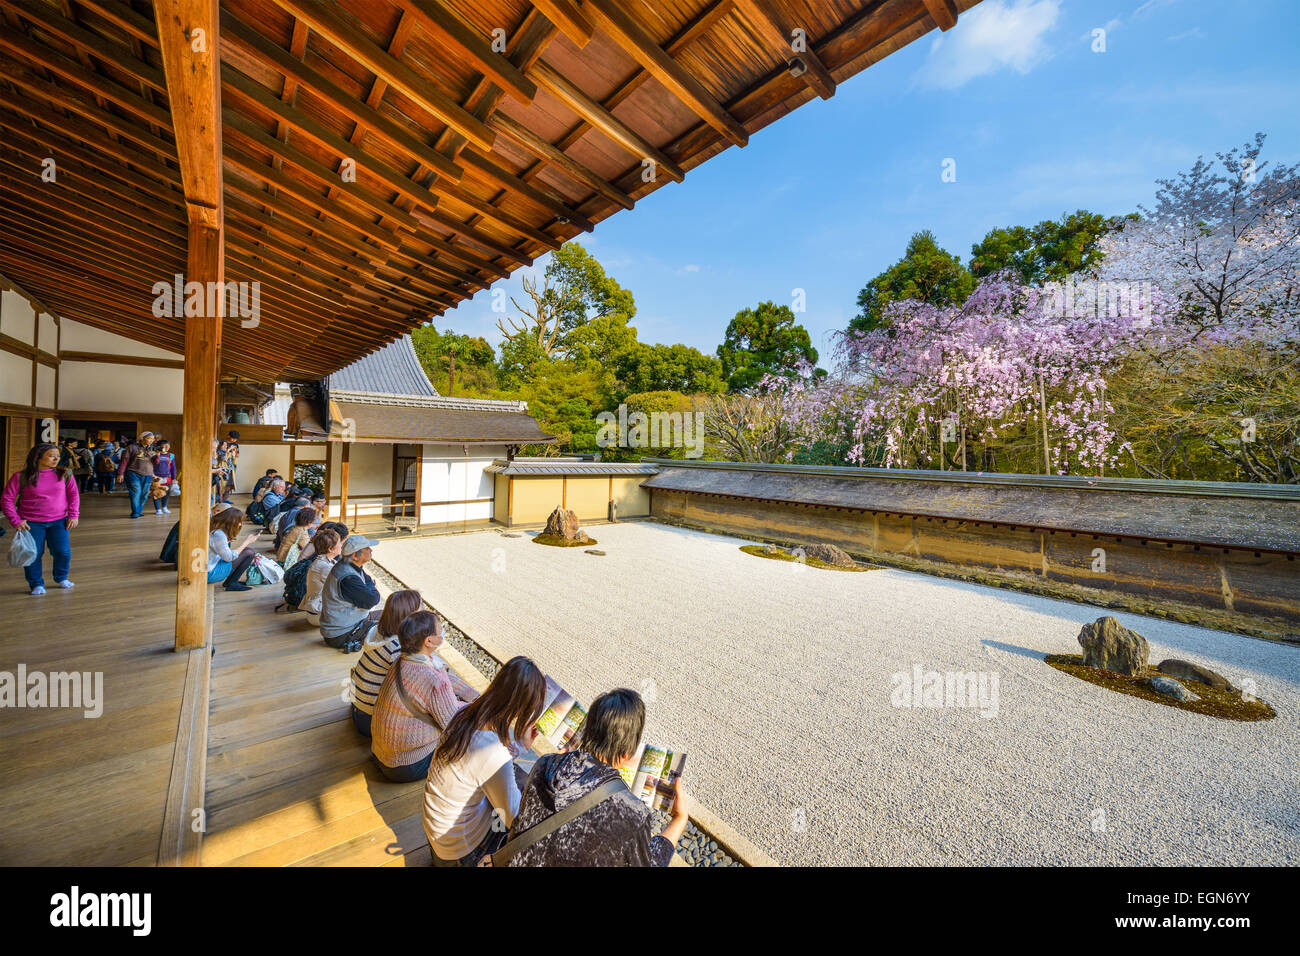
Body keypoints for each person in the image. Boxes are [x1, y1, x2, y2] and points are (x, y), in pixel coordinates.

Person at [503, 688, 691, 867]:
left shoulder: (544, 765)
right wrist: (679, 819)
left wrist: (561, 761)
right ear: (627, 753)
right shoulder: (634, 813)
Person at [423, 656, 546, 866]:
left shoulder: (464, 713)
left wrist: (519, 747)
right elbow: (514, 819)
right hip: (459, 853)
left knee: (513, 786)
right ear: (519, 711)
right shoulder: (494, 755)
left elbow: (482, 765)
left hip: (437, 836)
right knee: (532, 829)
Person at [369, 611, 464, 782]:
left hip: (381, 754)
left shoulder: (402, 660)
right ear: (429, 641)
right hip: (405, 766)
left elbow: (446, 682)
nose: (442, 632)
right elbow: (453, 725)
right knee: (468, 736)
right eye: (440, 629)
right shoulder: (434, 680)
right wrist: (474, 706)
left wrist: (472, 695)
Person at [2, 443, 80, 595]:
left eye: (57, 456)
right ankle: (36, 583)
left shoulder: (64, 473)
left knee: (62, 552)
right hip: (31, 523)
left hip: (59, 521)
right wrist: (16, 520)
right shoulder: (21, 476)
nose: (56, 459)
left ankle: (61, 577)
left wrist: (74, 514)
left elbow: (73, 495)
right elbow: (6, 499)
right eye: (51, 456)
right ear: (38, 457)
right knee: (34, 553)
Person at [348, 589, 423, 737]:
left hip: (357, 706)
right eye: (420, 612)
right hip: (370, 720)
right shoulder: (396, 648)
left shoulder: (377, 631)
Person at [319, 534, 381, 651]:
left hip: (349, 623)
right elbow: (373, 599)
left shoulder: (349, 566)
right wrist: (372, 586)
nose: (371, 550)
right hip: (342, 634)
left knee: (393, 612)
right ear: (355, 556)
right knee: (393, 625)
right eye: (367, 548)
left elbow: (368, 584)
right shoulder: (348, 578)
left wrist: (370, 586)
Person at [208, 507, 261, 592]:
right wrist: (247, 542)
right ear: (230, 521)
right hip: (211, 573)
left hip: (210, 566)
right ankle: (231, 583)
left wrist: (227, 541)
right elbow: (228, 558)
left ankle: (232, 582)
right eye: (239, 521)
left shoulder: (216, 531)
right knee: (249, 552)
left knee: (246, 552)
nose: (240, 524)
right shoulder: (219, 535)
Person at [301, 528, 341, 626]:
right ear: (331, 549)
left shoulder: (322, 561)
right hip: (318, 615)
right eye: (340, 543)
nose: (341, 545)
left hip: (315, 611)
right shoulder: (325, 567)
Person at [117, 432, 157, 518]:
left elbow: (156, 462)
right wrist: (120, 473)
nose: (151, 440)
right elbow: (124, 461)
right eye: (149, 438)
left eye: (152, 439)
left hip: (148, 475)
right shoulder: (131, 447)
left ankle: (139, 511)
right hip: (133, 473)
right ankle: (135, 513)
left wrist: (158, 455)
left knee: (144, 495)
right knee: (136, 492)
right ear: (142, 438)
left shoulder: (152, 449)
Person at [152, 439, 177, 515]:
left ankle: (164, 507)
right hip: (156, 477)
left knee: (166, 493)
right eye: (164, 446)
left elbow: (173, 467)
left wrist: (174, 478)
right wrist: (157, 455)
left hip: (167, 477)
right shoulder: (154, 455)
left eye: (168, 446)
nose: (166, 447)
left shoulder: (171, 455)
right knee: (156, 493)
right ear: (159, 446)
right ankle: (158, 509)